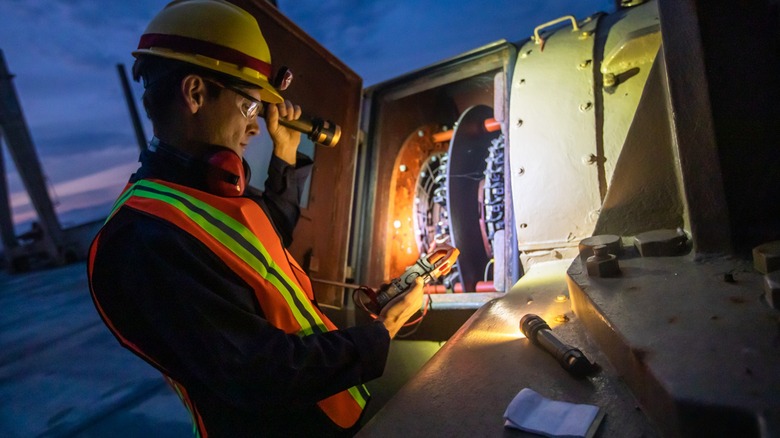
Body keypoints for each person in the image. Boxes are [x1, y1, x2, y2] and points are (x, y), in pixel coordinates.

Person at [86, 1, 425, 436]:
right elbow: (262, 373)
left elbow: (257, 245)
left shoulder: (202, 194)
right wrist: (384, 330)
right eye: (249, 106)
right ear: (195, 93)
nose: (255, 126)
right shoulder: (140, 239)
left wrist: (285, 154)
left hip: (334, 410)